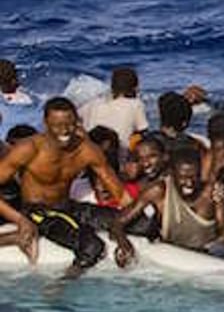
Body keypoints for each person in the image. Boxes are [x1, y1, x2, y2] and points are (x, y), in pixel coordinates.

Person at [0, 98, 130, 274]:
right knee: (92, 247)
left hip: (67, 206)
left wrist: (130, 215)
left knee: (141, 224)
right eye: (57, 125)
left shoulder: (86, 149)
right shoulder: (29, 148)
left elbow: (119, 192)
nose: (64, 131)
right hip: (38, 212)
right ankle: (62, 286)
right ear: (45, 123)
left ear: (77, 121)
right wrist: (19, 220)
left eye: (69, 124)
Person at [111, 148, 217, 263]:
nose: (189, 183)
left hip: (208, 257)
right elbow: (118, 222)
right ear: (172, 174)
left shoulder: (212, 193)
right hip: (172, 257)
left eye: (194, 176)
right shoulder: (159, 191)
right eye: (183, 177)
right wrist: (123, 243)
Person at [80, 67, 148, 148]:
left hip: (92, 151)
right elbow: (143, 131)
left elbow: (76, 118)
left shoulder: (94, 103)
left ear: (111, 86)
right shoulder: (136, 104)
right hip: (119, 154)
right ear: (135, 88)